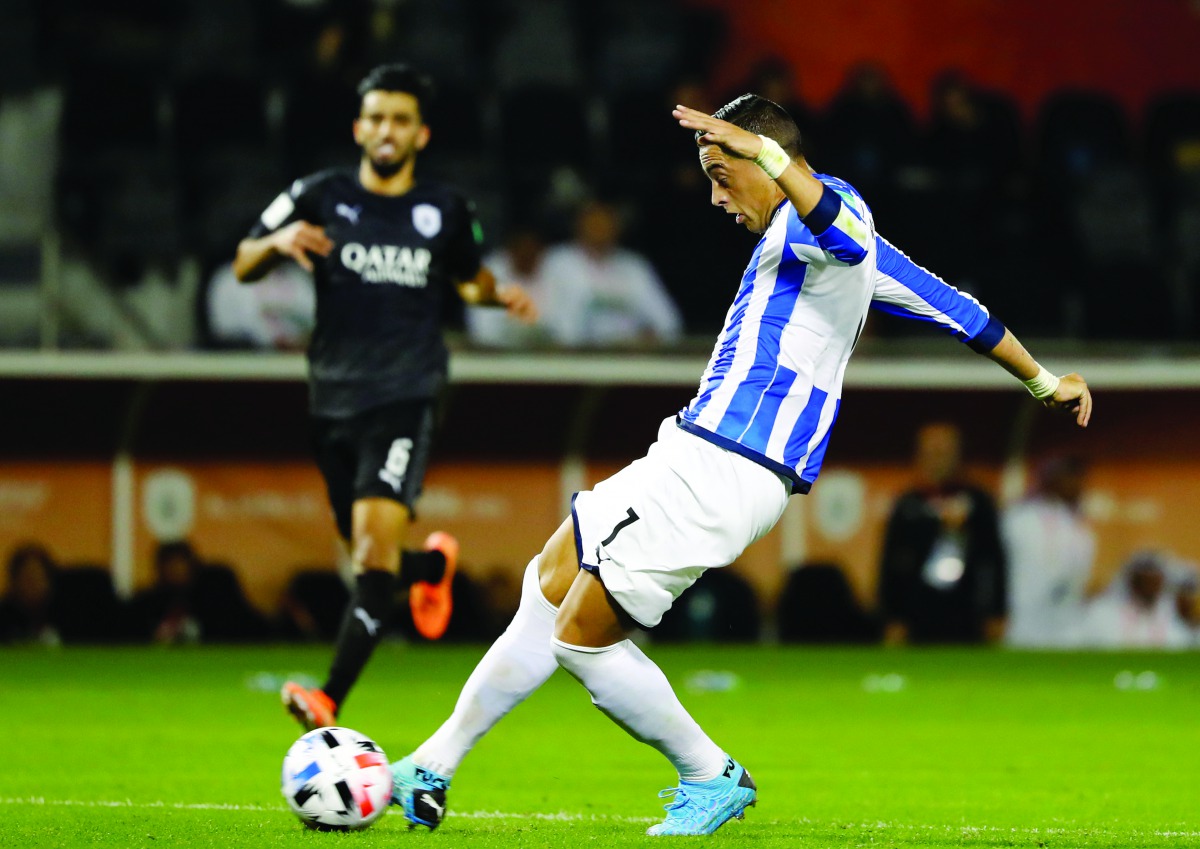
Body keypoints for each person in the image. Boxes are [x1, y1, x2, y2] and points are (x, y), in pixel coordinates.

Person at [383, 94, 1092, 836]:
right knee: (549, 579)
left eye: (724, 176)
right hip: (696, 447)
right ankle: (433, 764)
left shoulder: (835, 217)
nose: (719, 198)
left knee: (581, 638)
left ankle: (709, 773)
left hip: (730, 463)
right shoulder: (826, 241)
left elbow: (844, 233)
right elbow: (961, 310)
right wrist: (1044, 380)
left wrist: (776, 163)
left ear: (766, 158)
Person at [232, 63, 537, 731]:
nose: (386, 130)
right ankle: (429, 565)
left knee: (369, 558)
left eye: (400, 119)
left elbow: (467, 280)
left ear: (420, 133)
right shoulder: (319, 194)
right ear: (358, 127)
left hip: (407, 391)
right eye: (375, 117)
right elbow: (243, 261)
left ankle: (329, 697)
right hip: (331, 395)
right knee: (370, 555)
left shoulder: (447, 210)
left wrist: (496, 292)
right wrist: (279, 240)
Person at [878, 422, 1008, 645]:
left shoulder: (978, 501)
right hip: (918, 612)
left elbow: (993, 559)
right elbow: (891, 563)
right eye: (931, 453)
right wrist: (892, 616)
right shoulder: (908, 504)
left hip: (967, 611)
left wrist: (996, 611)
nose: (937, 459)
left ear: (958, 456)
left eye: (944, 452)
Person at [538, 200, 683, 348]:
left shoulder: (634, 266)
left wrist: (649, 336)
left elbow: (668, 322)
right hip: (572, 357)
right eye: (594, 224)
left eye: (606, 224)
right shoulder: (558, 261)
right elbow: (547, 317)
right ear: (579, 226)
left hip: (627, 358)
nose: (600, 230)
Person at [1002, 454, 1097, 648]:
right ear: (1052, 480)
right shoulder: (1017, 520)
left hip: (1066, 628)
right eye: (1073, 478)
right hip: (1022, 624)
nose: (1079, 485)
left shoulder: (1080, 529)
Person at [1078, 551, 1193, 649]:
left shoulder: (1171, 621)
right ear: (1132, 582)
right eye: (1144, 581)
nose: (1149, 587)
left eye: (1154, 582)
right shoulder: (1103, 614)